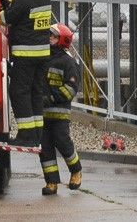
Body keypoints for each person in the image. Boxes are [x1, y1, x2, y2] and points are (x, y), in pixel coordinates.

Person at [0, 0, 52, 147]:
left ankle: (26, 136)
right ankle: (37, 134)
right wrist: (7, 2)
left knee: (19, 92)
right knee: (36, 93)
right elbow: (23, 15)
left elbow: (7, 18)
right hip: (42, 55)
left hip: (25, 55)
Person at [40, 23, 82, 195]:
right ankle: (51, 183)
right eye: (50, 35)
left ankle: (76, 171)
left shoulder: (68, 63)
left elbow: (71, 88)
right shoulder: (42, 59)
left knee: (63, 142)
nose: (49, 38)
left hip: (59, 114)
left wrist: (52, 97)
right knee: (45, 149)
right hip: (42, 114)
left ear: (62, 41)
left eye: (53, 36)